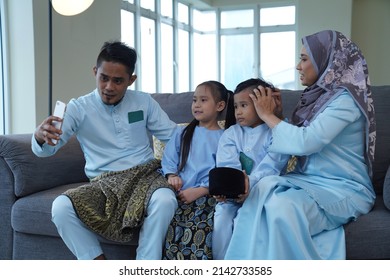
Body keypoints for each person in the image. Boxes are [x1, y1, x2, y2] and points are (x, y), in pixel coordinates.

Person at [223, 30, 376, 259]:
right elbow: (292, 138)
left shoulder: (346, 100)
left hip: (342, 186)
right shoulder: (316, 98)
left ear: (327, 61)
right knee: (263, 193)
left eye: (304, 59)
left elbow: (307, 142)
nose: (298, 66)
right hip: (308, 182)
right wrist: (278, 114)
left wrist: (267, 116)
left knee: (279, 208)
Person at [31, 41, 178, 260]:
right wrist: (39, 137)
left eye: (118, 81)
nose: (109, 87)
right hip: (103, 184)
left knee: (165, 200)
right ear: (95, 72)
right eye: (104, 78)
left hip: (146, 176)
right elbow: (47, 151)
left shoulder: (143, 102)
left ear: (131, 80)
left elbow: (175, 137)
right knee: (61, 207)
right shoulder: (78, 108)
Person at [212, 78, 289, 260]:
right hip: (232, 196)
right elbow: (227, 166)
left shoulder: (278, 131)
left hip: (264, 194)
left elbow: (272, 166)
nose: (238, 112)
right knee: (221, 220)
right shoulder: (231, 134)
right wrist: (227, 188)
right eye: (236, 106)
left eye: (244, 105)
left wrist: (249, 186)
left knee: (245, 222)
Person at [161, 80, 235, 260]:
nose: (197, 105)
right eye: (195, 100)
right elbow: (169, 159)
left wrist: (201, 190)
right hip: (180, 194)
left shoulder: (225, 137)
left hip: (208, 196)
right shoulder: (182, 133)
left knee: (203, 228)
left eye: (203, 100)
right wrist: (172, 175)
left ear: (220, 105)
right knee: (173, 230)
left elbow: (224, 171)